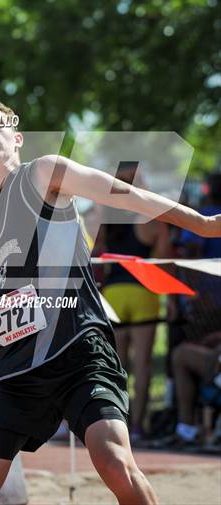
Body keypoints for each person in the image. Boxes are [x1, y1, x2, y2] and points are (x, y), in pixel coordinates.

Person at [0, 98, 220, 505]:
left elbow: (124, 195)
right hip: (16, 373)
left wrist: (202, 223)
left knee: (113, 458)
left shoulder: (44, 173)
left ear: (17, 137)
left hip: (78, 351)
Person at [95, 165, 170, 443]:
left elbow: (97, 260)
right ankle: (138, 426)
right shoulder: (152, 220)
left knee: (116, 365)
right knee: (143, 364)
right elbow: (163, 261)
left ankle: (115, 424)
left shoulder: (107, 219)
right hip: (143, 293)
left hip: (113, 294)